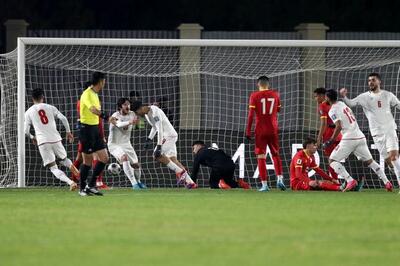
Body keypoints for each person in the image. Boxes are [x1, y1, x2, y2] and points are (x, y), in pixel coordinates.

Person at [323, 89, 393, 192]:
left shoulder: (332, 110)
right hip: (359, 136)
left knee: (332, 160)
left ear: (328, 98)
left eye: (325, 97)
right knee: (370, 161)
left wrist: (331, 140)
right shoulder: (342, 104)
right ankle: (387, 182)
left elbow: (338, 126)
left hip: (349, 137)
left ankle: (350, 180)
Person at [340, 72, 400, 190]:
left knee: (394, 157)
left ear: (379, 81)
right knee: (389, 161)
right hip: (377, 133)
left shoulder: (388, 95)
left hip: (390, 130)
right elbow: (351, 103)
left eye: (373, 80)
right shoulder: (364, 97)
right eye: (369, 81)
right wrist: (344, 97)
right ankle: (393, 168)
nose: (371, 82)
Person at [131, 100, 197, 189]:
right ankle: (191, 183)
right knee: (173, 160)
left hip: (169, 135)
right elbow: (154, 127)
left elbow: (160, 129)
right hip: (168, 135)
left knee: (156, 155)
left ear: (139, 109)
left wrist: (159, 146)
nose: (137, 115)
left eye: (136, 113)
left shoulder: (155, 112)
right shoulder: (147, 114)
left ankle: (180, 172)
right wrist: (149, 139)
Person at [24, 88, 78, 190]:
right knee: (64, 159)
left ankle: (70, 182)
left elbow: (26, 131)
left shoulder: (28, 112)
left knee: (53, 168)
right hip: (56, 138)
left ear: (32, 99)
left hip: (43, 141)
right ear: (42, 97)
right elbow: (63, 118)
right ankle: (71, 166)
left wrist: (32, 137)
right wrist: (68, 132)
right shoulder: (50, 107)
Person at [78, 72, 117, 196]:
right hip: (86, 129)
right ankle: (82, 188)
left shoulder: (95, 94)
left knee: (105, 158)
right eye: (104, 81)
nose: (105, 83)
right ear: (101, 81)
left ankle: (91, 185)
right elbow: (93, 110)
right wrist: (107, 117)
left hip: (95, 130)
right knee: (87, 162)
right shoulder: (87, 94)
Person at [245, 76, 285, 192]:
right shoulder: (275, 94)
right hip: (273, 129)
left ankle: (264, 185)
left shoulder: (254, 96)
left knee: (261, 156)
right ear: (268, 84)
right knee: (276, 154)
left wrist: (248, 131)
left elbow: (251, 115)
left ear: (258, 84)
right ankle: (280, 179)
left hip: (260, 130)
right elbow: (278, 110)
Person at [71, 92, 109, 189]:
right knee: (92, 158)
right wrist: (102, 134)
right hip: (90, 131)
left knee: (81, 158)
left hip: (83, 130)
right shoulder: (90, 102)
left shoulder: (80, 102)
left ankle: (74, 181)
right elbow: (98, 118)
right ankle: (97, 183)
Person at [108, 98, 146, 189]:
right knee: (124, 157)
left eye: (128, 104)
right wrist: (130, 122)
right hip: (114, 144)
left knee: (136, 165)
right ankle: (134, 184)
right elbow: (119, 124)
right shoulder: (115, 115)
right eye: (125, 104)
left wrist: (140, 121)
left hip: (126, 143)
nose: (127, 106)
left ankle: (139, 182)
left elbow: (140, 125)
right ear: (120, 106)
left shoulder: (132, 114)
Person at [313, 87, 341, 181]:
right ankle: (347, 179)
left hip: (329, 134)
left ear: (322, 96)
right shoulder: (337, 103)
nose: (315, 99)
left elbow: (324, 123)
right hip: (340, 133)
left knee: (331, 159)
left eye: (316, 96)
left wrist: (319, 138)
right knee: (337, 158)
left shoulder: (322, 106)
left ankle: (335, 181)